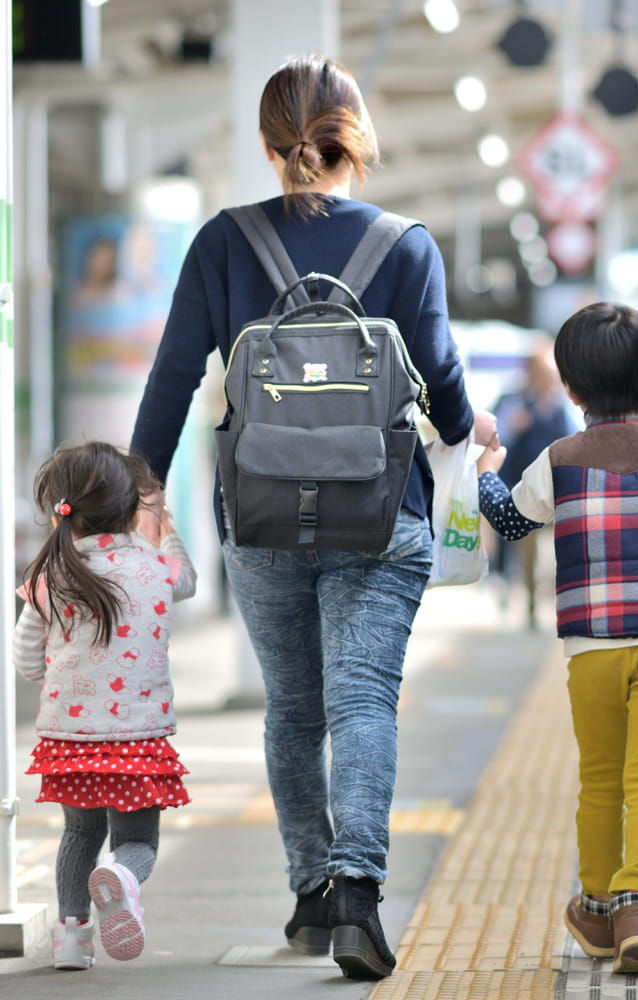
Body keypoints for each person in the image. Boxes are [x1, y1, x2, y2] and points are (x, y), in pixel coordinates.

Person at [129, 56, 498, 980]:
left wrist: (142, 496)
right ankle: (358, 903)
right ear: (357, 141)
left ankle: (307, 897)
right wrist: (467, 430)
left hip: (260, 518)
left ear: (267, 144)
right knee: (363, 700)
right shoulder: (405, 245)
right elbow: (444, 384)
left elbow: (172, 380)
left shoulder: (223, 244)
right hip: (380, 517)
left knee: (295, 711)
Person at [475, 302, 638, 974]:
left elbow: (509, 523)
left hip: (592, 647)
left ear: (570, 390)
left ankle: (596, 909)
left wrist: (485, 472)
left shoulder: (560, 458)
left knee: (600, 780)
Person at [12, 442, 197, 971]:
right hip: (139, 739)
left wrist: (68, 683)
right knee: (136, 841)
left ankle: (71, 938)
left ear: (61, 509)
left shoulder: (51, 574)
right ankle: (121, 875)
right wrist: (164, 526)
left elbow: (27, 660)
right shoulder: (156, 568)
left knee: (79, 833)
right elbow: (188, 579)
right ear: (130, 507)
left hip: (70, 740)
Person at [489, 342, 581, 625]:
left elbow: (577, 438)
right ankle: (527, 604)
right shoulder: (512, 402)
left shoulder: (562, 406)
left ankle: (556, 601)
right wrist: (513, 427)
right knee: (524, 551)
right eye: (542, 374)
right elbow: (493, 439)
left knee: (558, 552)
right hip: (521, 491)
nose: (547, 381)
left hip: (557, 493)